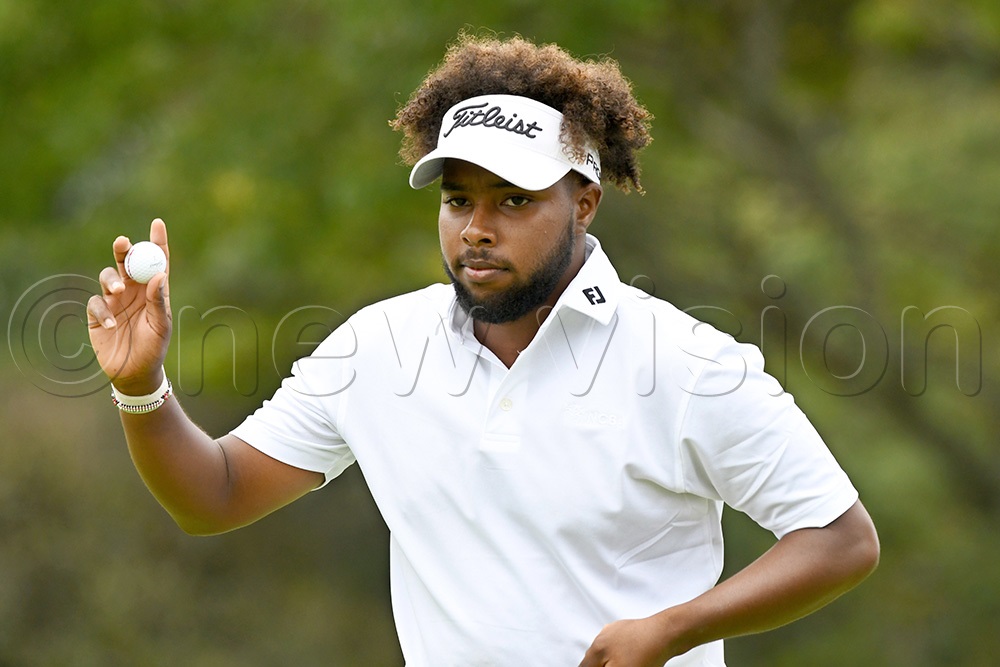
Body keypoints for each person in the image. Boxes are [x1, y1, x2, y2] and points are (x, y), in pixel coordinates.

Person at [87, 33, 879, 667]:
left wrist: (673, 628)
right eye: (458, 198)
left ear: (587, 202)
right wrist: (142, 386)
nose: (477, 227)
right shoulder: (379, 347)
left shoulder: (684, 362)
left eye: (514, 200)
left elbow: (840, 539)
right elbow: (214, 495)